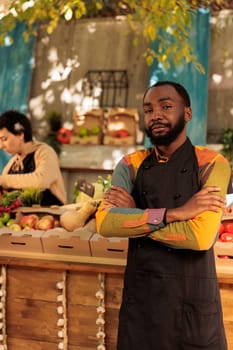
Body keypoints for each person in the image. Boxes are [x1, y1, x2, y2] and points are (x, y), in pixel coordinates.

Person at [96, 81, 231, 350]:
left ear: (187, 114)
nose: (155, 115)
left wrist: (134, 216)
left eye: (166, 107)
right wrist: (176, 213)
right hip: (142, 305)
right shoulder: (129, 164)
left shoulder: (213, 164)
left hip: (192, 307)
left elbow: (200, 237)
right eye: (148, 110)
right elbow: (105, 223)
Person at [0, 110, 67, 206]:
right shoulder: (12, 164)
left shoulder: (45, 152)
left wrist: (3, 180)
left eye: (4, 139)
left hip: (50, 217)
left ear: (20, 134)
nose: (1, 146)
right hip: (21, 219)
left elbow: (41, 181)